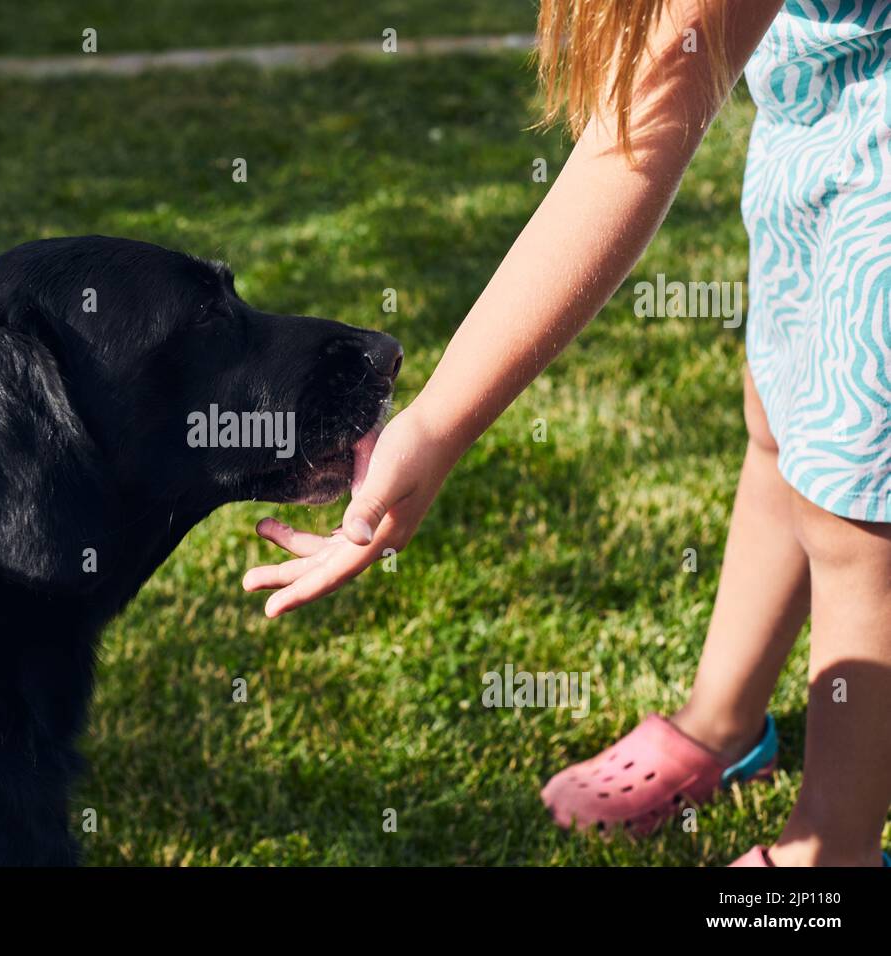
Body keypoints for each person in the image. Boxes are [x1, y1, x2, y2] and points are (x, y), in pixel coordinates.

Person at [243, 0, 891, 866]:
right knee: (779, 416)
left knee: (860, 512)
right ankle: (723, 718)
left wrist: (438, 425)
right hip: (820, 116)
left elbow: (644, 124)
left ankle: (832, 857)